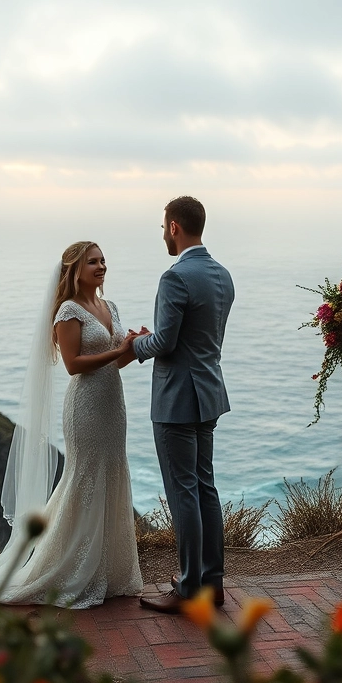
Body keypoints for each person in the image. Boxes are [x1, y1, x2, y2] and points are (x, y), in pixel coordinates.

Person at [0, 241, 144, 608]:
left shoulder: (110, 306)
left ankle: (108, 571)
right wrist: (120, 350)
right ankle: (68, 568)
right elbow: (74, 365)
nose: (100, 266)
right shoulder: (68, 310)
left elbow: (115, 364)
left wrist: (131, 347)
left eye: (103, 260)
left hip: (114, 404)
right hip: (86, 406)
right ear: (74, 270)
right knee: (85, 477)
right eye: (92, 262)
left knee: (112, 471)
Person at [132, 196, 235, 613]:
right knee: (205, 487)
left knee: (183, 493)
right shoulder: (222, 275)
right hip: (209, 393)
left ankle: (190, 587)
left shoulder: (174, 278)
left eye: (163, 227)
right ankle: (213, 582)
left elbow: (166, 342)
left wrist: (135, 343)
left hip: (176, 399)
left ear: (174, 226)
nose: (163, 234)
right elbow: (201, 339)